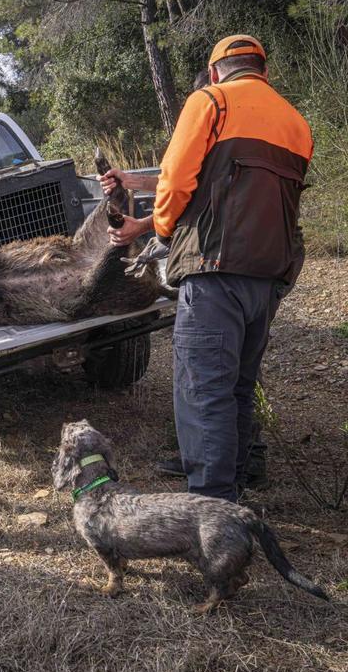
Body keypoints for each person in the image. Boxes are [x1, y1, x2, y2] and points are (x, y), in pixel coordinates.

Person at [105, 35, 312, 502]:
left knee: (203, 392)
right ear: (264, 72)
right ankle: (233, 494)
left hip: (215, 270)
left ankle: (211, 505)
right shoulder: (295, 121)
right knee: (237, 388)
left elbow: (176, 179)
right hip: (268, 277)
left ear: (217, 71)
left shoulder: (211, 101)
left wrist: (160, 230)